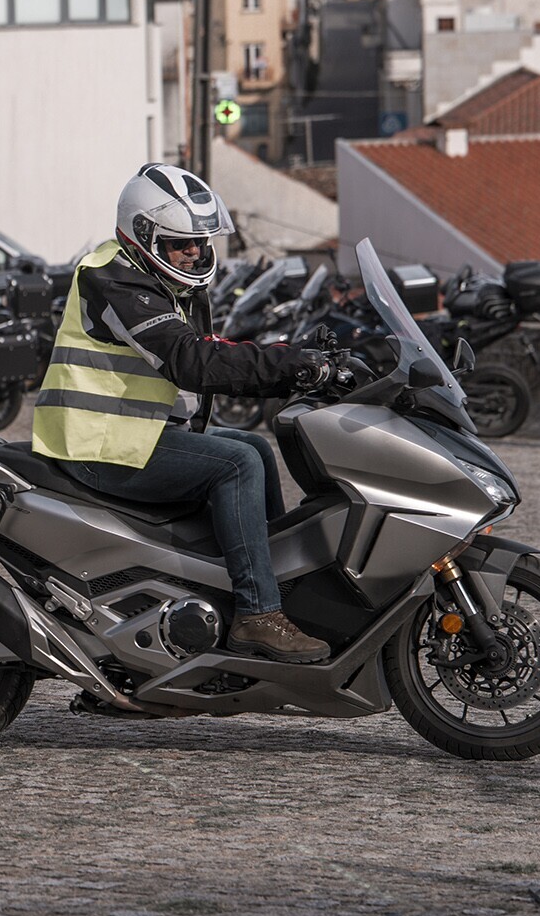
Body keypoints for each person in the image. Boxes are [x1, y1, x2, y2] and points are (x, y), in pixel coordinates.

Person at [31, 164, 339, 663]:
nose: (196, 252)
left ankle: (272, 586)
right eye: (182, 243)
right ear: (145, 236)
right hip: (97, 443)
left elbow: (208, 349)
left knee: (254, 445)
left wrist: (295, 360)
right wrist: (285, 363)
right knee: (237, 464)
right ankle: (258, 615)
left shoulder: (159, 279)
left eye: (199, 242)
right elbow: (188, 359)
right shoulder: (113, 278)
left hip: (134, 435)